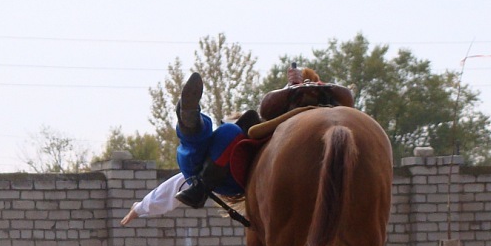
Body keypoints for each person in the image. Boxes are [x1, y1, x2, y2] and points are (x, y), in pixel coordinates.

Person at [122, 65, 357, 224]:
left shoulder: (311, 140)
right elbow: (178, 182)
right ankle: (189, 120)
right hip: (228, 163)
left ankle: (192, 135)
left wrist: (142, 207)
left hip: (232, 177)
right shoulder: (259, 137)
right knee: (223, 134)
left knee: (218, 139)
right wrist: (142, 206)